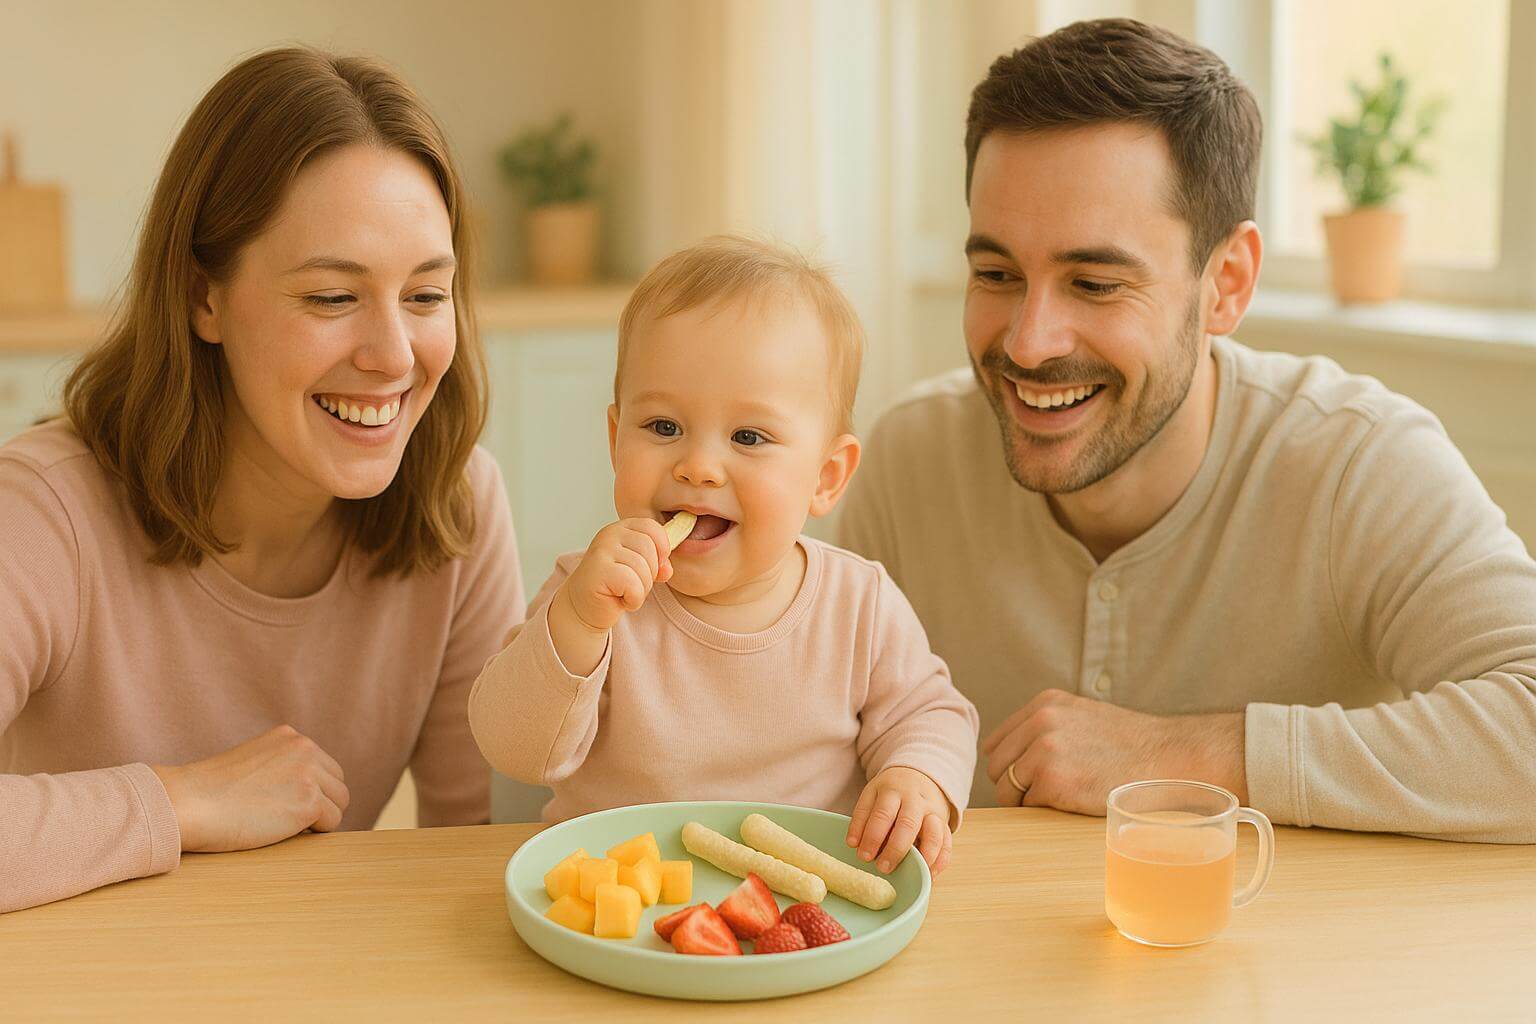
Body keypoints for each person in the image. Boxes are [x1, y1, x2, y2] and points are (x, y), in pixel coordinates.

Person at [837, 19, 1536, 842]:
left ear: (1227, 284)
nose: (1028, 341)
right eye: (996, 274)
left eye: (1094, 283)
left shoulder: (1357, 460)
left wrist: (1192, 756)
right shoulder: (908, 460)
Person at [0, 48, 524, 914]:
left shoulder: (457, 503)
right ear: (204, 297)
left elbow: (475, 850)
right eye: (330, 298)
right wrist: (178, 800)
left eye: (427, 297)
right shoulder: (42, 511)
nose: (393, 356)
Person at [469, 236, 979, 876]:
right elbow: (515, 751)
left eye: (748, 436)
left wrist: (916, 776)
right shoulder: (587, 595)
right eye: (662, 427)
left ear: (825, 476)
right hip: (620, 911)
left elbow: (934, 713)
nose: (699, 466)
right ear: (614, 438)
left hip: (791, 918)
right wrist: (576, 625)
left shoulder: (861, 605)